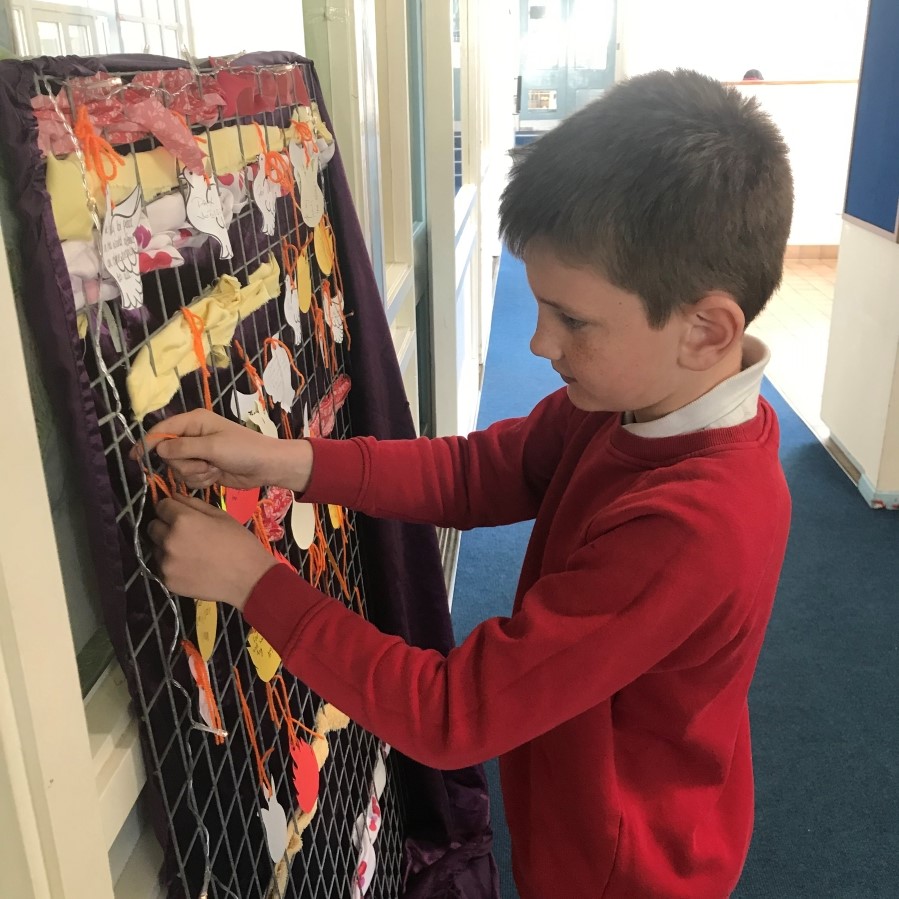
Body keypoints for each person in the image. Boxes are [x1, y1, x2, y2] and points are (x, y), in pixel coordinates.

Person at [144, 69, 793, 898]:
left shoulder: (694, 524)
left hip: (616, 865)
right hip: (576, 800)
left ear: (705, 329)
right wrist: (286, 462)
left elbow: (453, 715)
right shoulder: (639, 394)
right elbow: (481, 471)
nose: (538, 344)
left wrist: (249, 578)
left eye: (573, 320)